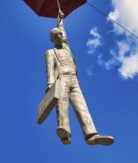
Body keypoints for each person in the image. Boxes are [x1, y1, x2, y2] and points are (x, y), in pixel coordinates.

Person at [45, 9, 114, 145]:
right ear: (54, 38)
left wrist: (60, 19)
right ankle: (64, 131)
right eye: (58, 35)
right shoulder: (50, 52)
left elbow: (61, 28)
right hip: (61, 79)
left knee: (82, 107)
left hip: (74, 81)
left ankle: (91, 135)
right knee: (62, 103)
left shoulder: (66, 48)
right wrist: (50, 84)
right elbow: (49, 69)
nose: (61, 36)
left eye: (61, 34)